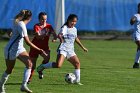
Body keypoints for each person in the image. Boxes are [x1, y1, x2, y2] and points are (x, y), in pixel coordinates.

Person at [0, 10, 47, 93]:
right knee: (9, 70)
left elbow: (10, 30)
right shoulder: (21, 25)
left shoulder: (18, 21)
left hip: (20, 48)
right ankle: (0, 86)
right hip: (11, 50)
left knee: (30, 64)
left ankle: (23, 86)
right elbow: (28, 42)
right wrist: (39, 50)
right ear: (30, 18)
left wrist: (11, 33)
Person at [37, 14, 88, 85]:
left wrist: (83, 47)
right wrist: (61, 39)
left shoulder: (74, 29)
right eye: (72, 21)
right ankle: (42, 67)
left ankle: (77, 81)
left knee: (77, 63)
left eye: (75, 21)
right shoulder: (65, 27)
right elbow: (60, 35)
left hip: (70, 50)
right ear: (68, 20)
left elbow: (76, 38)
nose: (73, 23)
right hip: (63, 48)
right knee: (58, 65)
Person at [28, 12, 57, 83]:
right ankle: (29, 79)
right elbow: (37, 37)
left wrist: (54, 38)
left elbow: (54, 34)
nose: (44, 21)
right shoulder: (36, 26)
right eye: (42, 19)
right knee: (32, 64)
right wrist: (46, 34)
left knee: (47, 58)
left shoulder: (49, 26)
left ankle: (40, 69)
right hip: (35, 47)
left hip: (44, 47)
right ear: (39, 19)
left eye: (45, 19)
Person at [130, 3, 140, 68]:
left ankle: (136, 64)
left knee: (139, 49)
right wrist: (133, 20)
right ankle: (136, 63)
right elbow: (132, 21)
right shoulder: (136, 15)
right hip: (137, 35)